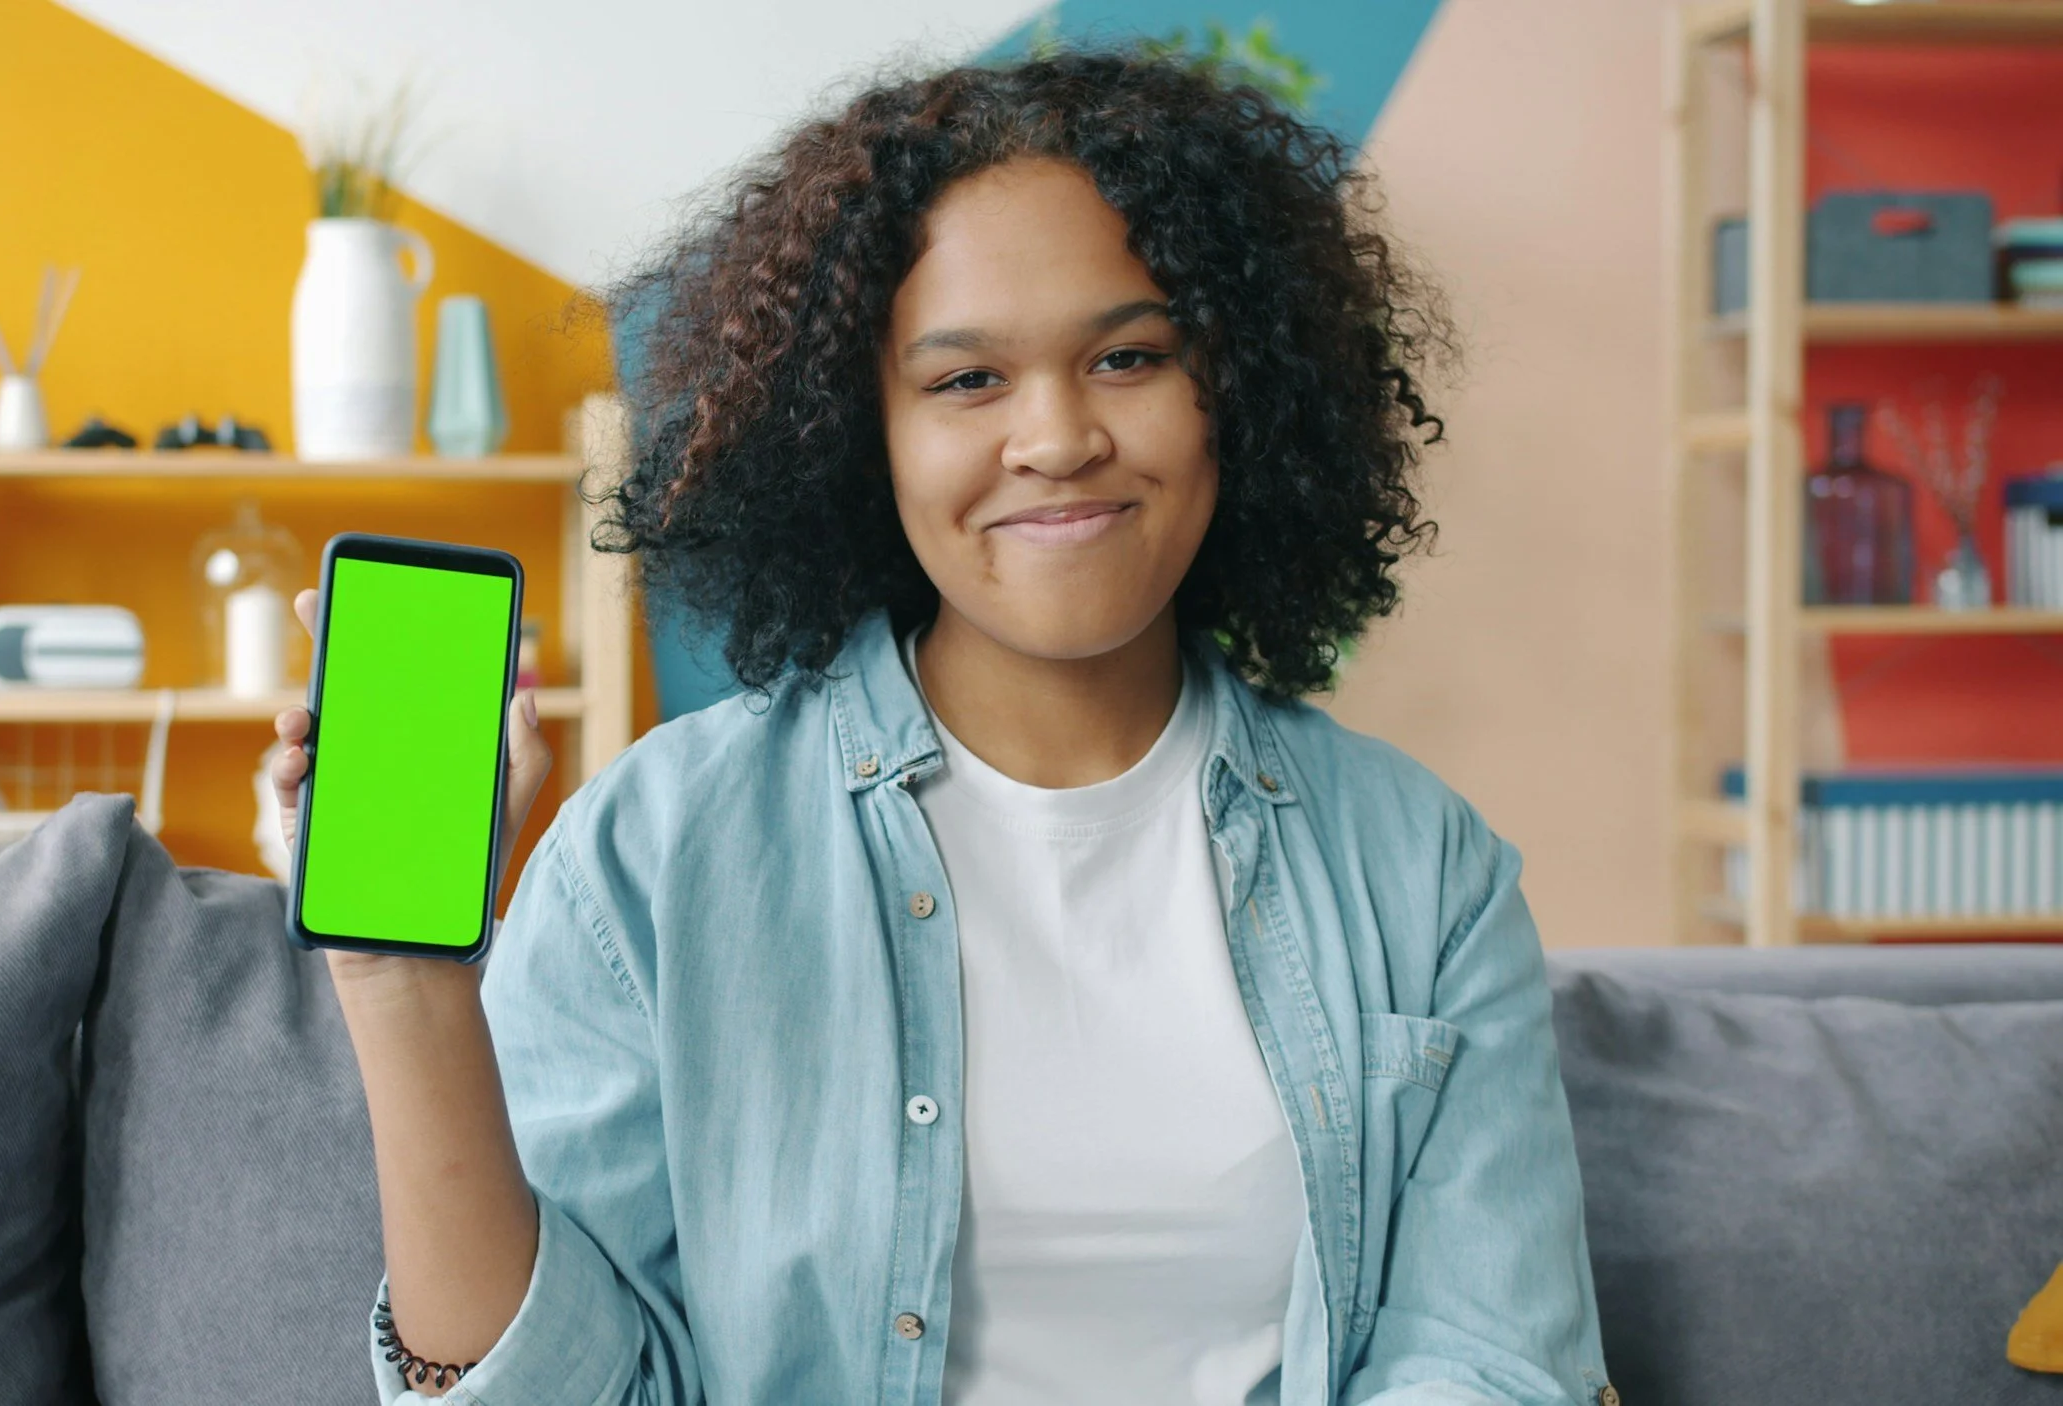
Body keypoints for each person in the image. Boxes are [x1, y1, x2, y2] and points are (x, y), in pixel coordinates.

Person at [272, 49, 1610, 1406]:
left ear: (1235, 397)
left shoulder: (1423, 870)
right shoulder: (655, 852)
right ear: (869, 435)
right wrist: (406, 989)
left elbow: (1497, 1362)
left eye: (1130, 355)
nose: (1058, 435)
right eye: (968, 381)